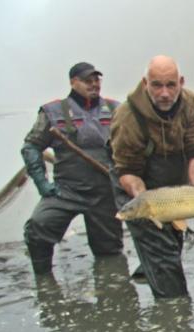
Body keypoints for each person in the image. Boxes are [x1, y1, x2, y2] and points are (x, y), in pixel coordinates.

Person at [109, 55, 194, 298]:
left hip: (174, 182)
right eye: (156, 85)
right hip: (136, 183)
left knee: (173, 242)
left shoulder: (193, 104)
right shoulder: (127, 116)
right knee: (161, 250)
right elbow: (127, 170)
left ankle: (149, 268)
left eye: (171, 85)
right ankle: (173, 305)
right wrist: (146, 202)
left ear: (181, 82)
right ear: (145, 84)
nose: (164, 93)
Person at [21, 62, 123, 276]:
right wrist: (42, 184)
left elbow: (135, 148)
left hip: (105, 192)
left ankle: (113, 292)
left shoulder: (117, 109)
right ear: (73, 82)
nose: (94, 84)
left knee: (110, 252)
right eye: (88, 80)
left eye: (97, 80)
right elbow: (31, 147)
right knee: (38, 227)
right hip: (66, 190)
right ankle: (44, 281)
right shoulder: (52, 111)